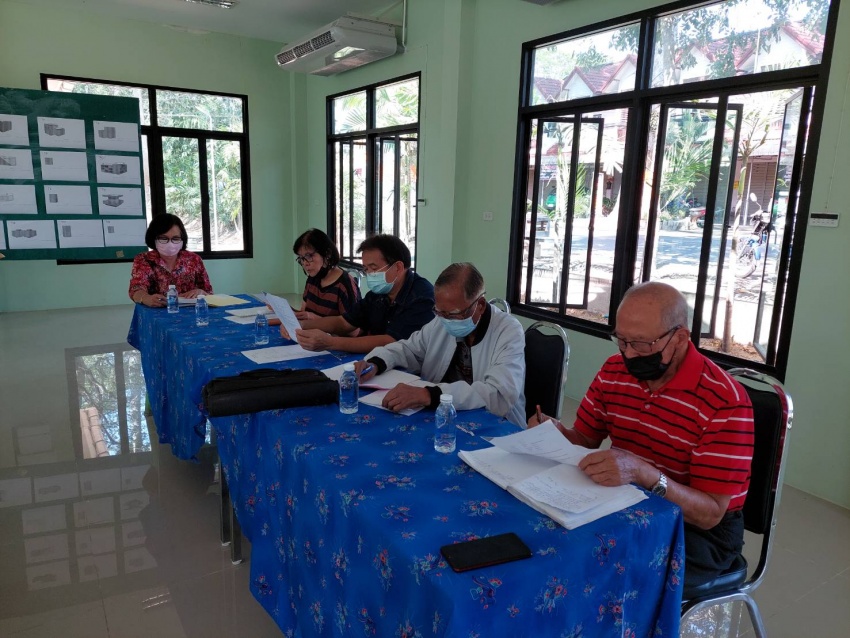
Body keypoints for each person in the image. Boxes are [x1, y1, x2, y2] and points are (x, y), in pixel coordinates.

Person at [528, 281, 754, 596]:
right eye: (622, 341)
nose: (629, 354)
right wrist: (555, 433)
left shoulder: (724, 401)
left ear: (680, 337)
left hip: (698, 531)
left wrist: (644, 474)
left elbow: (710, 513)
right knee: (549, 541)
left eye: (642, 344)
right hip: (628, 499)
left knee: (599, 571)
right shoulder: (614, 371)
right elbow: (584, 439)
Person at [355, 263, 526, 426]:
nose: (445, 319)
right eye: (439, 311)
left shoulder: (508, 331)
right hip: (444, 413)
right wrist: (376, 363)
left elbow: (497, 395)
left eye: (453, 314)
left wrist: (429, 394)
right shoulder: (443, 319)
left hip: (494, 424)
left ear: (480, 305)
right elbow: (409, 349)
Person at [282, 234, 434, 353]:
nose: (370, 274)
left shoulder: (422, 297)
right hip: (380, 361)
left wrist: (330, 343)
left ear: (398, 267)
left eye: (374, 268)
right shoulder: (379, 293)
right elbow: (344, 322)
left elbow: (391, 342)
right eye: (366, 269)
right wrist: (301, 326)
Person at [128, 214, 212, 307]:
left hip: (190, 312)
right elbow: (136, 288)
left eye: (175, 238)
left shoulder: (194, 259)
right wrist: (146, 298)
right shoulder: (144, 260)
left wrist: (201, 292)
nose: (170, 243)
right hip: (156, 312)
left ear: (182, 239)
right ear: (153, 238)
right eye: (163, 238)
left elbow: (208, 292)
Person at [292, 228, 361, 320]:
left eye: (309, 256)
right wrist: (287, 310)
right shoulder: (313, 278)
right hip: (310, 329)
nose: (305, 263)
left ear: (327, 254)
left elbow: (353, 327)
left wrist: (315, 318)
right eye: (301, 258)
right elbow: (304, 313)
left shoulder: (345, 285)